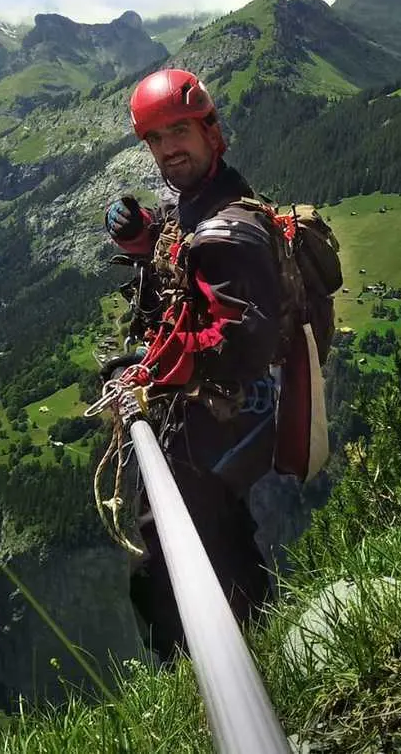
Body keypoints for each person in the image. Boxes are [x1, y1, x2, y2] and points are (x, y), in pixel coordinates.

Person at [102, 67, 285, 662]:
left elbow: (244, 337)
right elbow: (189, 271)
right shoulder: (205, 204)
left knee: (174, 558)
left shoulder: (228, 231)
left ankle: (213, 674)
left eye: (178, 131)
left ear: (210, 129)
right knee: (210, 537)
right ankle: (256, 650)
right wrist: (146, 237)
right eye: (154, 139)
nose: (166, 149)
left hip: (222, 420)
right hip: (219, 415)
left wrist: (162, 368)